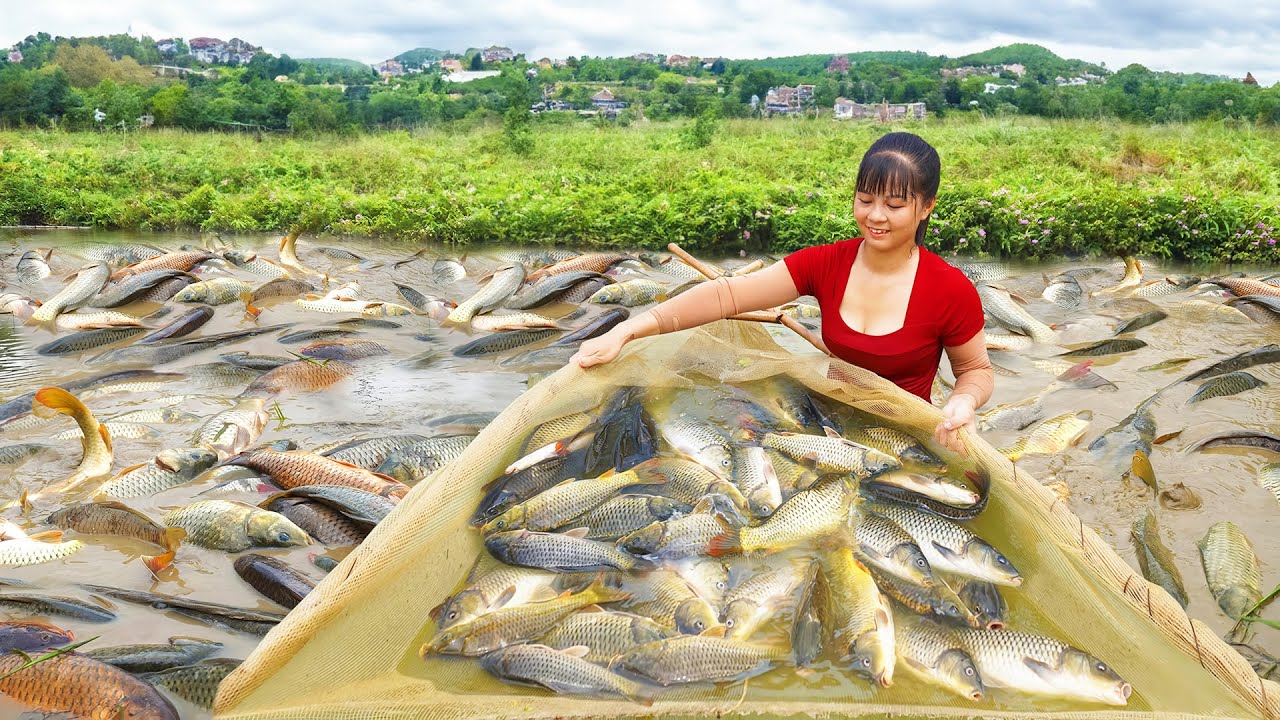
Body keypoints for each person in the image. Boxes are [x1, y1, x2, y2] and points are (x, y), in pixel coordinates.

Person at [571, 132, 993, 454]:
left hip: (904, 436)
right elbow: (726, 297)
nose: (875, 216)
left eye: (895, 206)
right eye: (864, 200)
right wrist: (627, 330)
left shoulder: (949, 288)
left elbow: (976, 371)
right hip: (826, 421)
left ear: (926, 207)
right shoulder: (824, 264)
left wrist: (962, 402)